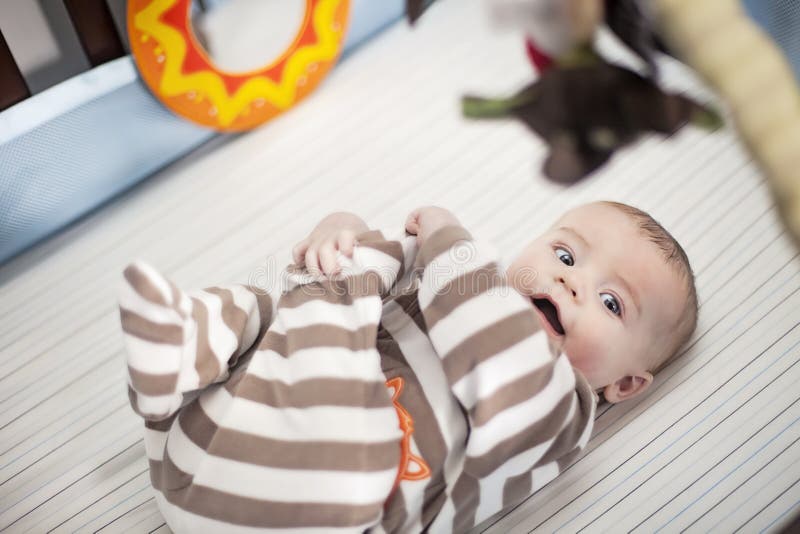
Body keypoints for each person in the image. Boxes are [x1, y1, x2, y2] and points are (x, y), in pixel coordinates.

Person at [118, 201, 697, 532]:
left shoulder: (563, 412)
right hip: (192, 450)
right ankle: (184, 344)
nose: (572, 282)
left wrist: (447, 240)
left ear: (624, 384)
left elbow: (495, 348)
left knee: (329, 309)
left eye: (612, 303)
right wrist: (341, 234)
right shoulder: (453, 281)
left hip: (315, 503)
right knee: (291, 295)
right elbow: (356, 285)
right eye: (566, 255)